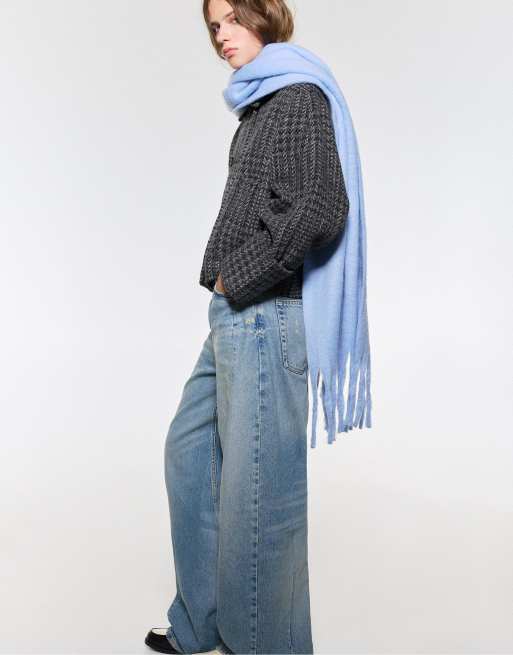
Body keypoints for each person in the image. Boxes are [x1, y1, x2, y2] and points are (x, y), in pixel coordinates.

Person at [145, 1, 350, 653]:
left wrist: (238, 276)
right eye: (214, 25)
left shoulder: (296, 96)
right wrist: (228, 291)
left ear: (266, 15)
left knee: (260, 495)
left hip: (263, 313)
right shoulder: (261, 104)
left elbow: (320, 205)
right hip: (236, 318)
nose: (221, 35)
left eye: (233, 18)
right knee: (189, 453)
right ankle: (203, 621)